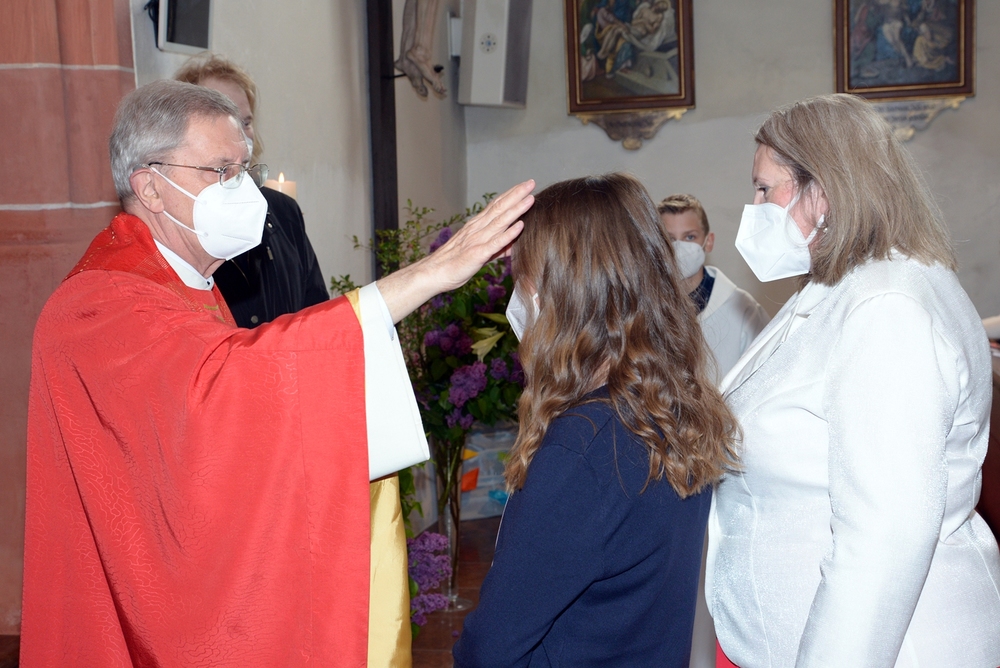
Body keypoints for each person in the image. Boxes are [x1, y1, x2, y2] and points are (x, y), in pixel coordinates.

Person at [20, 79, 535, 667]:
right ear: (151, 188)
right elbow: (232, 382)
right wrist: (425, 276)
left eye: (245, 169)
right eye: (221, 171)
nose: (244, 191)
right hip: (141, 610)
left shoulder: (185, 283)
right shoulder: (98, 303)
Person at [706, 93, 1000, 667]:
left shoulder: (887, 308)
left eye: (765, 189)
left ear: (824, 191)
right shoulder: (837, 286)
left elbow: (885, 536)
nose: (754, 206)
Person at [453, 173, 739, 667]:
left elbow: (494, 644)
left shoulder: (584, 445)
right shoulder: (666, 406)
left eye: (525, 277)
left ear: (560, 292)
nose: (519, 297)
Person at [175, 53, 329, 328]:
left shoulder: (283, 211)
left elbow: (317, 315)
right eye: (223, 121)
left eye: (245, 122)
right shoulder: (179, 222)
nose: (240, 135)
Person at [659, 193, 769, 383]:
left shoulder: (744, 311)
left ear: (708, 241)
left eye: (690, 237)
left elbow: (764, 379)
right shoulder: (641, 307)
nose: (679, 248)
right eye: (670, 239)